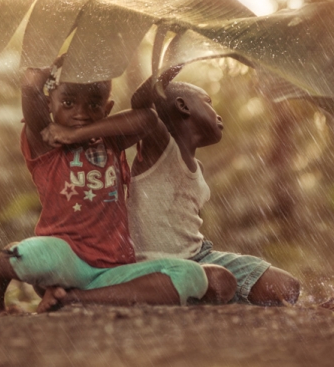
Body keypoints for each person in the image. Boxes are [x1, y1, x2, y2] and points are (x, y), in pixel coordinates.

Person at [0, 56, 226, 316]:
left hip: (114, 270)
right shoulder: (46, 142)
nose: (81, 113)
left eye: (93, 104)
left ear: (107, 109)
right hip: (65, 258)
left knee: (190, 275)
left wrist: (76, 134)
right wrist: (53, 62)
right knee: (22, 257)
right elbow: (30, 89)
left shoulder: (111, 142)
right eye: (69, 103)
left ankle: (74, 299)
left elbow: (148, 118)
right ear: (50, 104)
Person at [127, 71, 301, 306]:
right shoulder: (159, 146)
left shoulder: (196, 167)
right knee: (219, 281)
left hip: (199, 257)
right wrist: (176, 62)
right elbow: (141, 103)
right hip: (157, 265)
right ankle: (199, 293)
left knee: (287, 288)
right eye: (208, 103)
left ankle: (205, 294)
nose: (218, 115)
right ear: (183, 106)